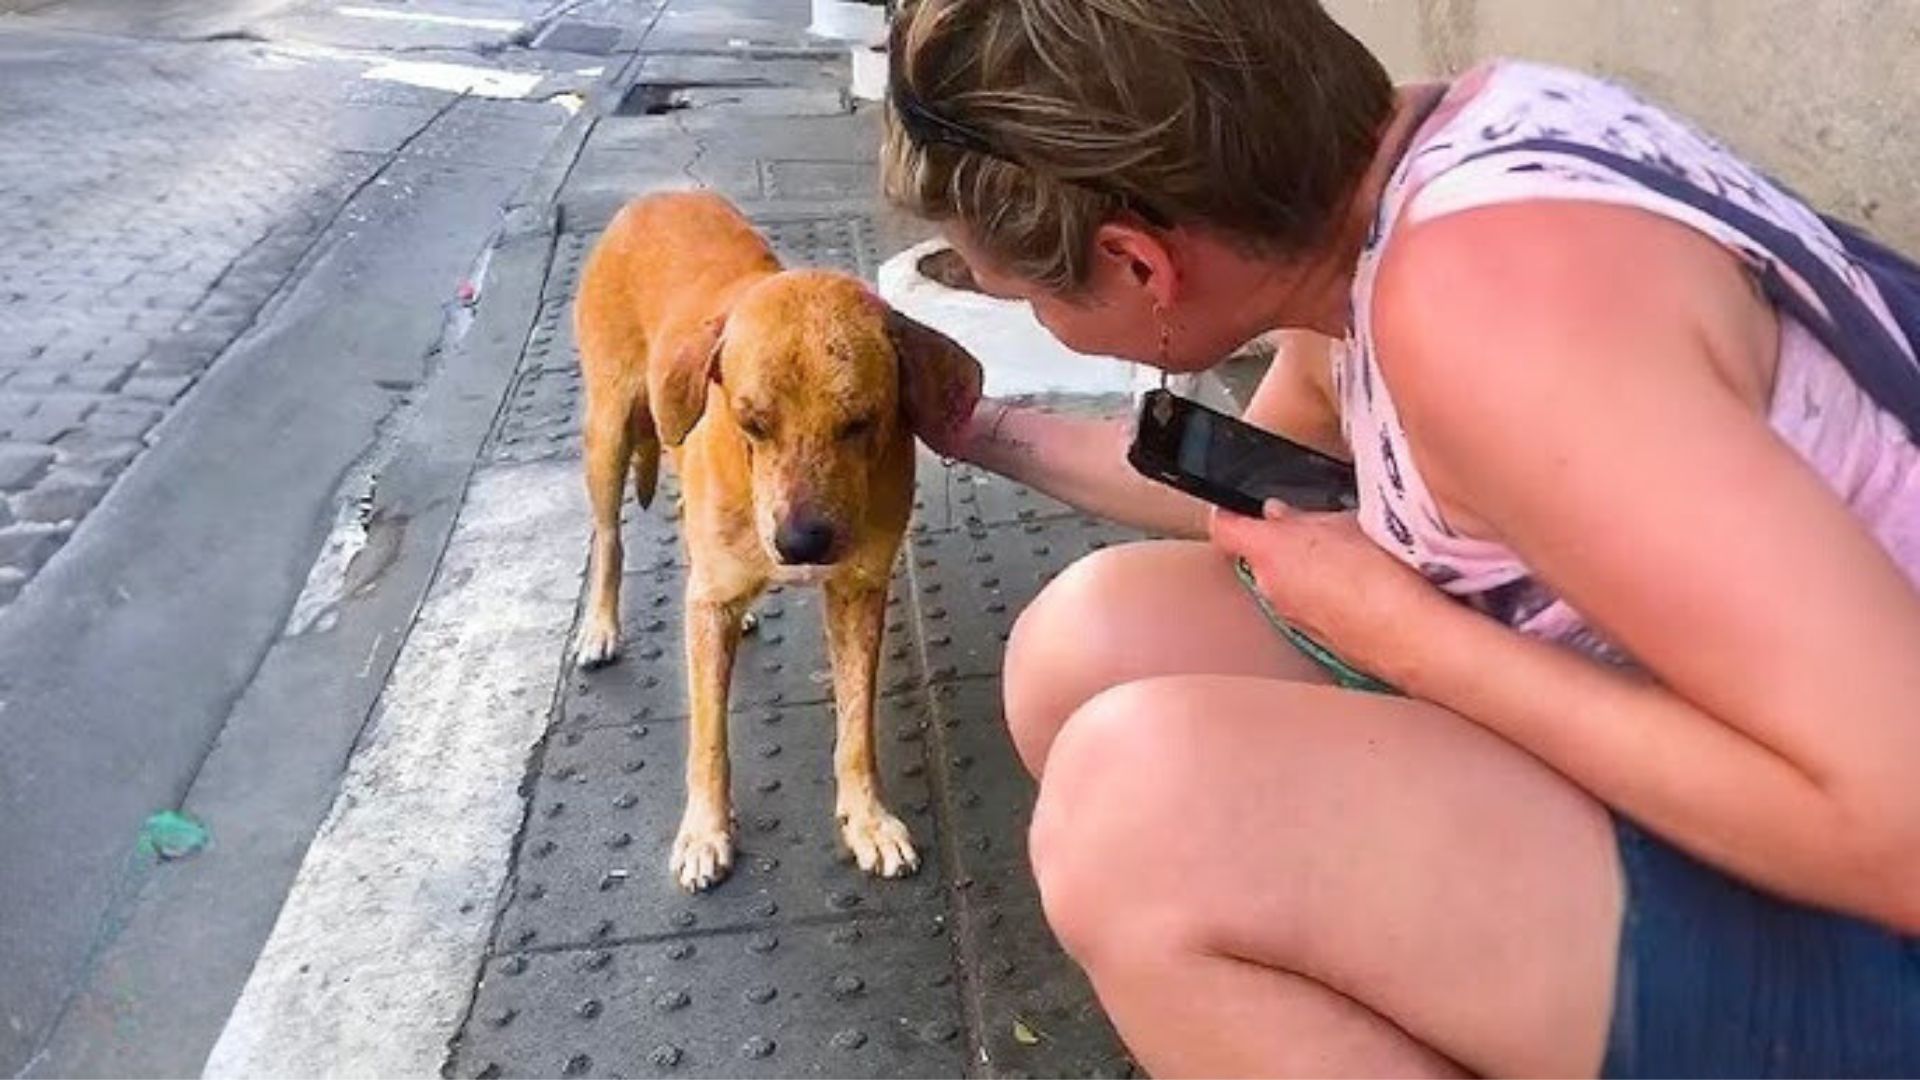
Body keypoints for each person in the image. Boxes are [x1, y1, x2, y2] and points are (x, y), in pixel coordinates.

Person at [879, 1, 1920, 1076]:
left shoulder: (1493, 322)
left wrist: (1416, 642)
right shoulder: (1392, 200)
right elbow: (1254, 491)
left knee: (1137, 828)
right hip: (1757, 760)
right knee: (1089, 645)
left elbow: (1901, 833)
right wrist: (979, 429)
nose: (1038, 321)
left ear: (1141, 265)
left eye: (1026, 296)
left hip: (1877, 897)